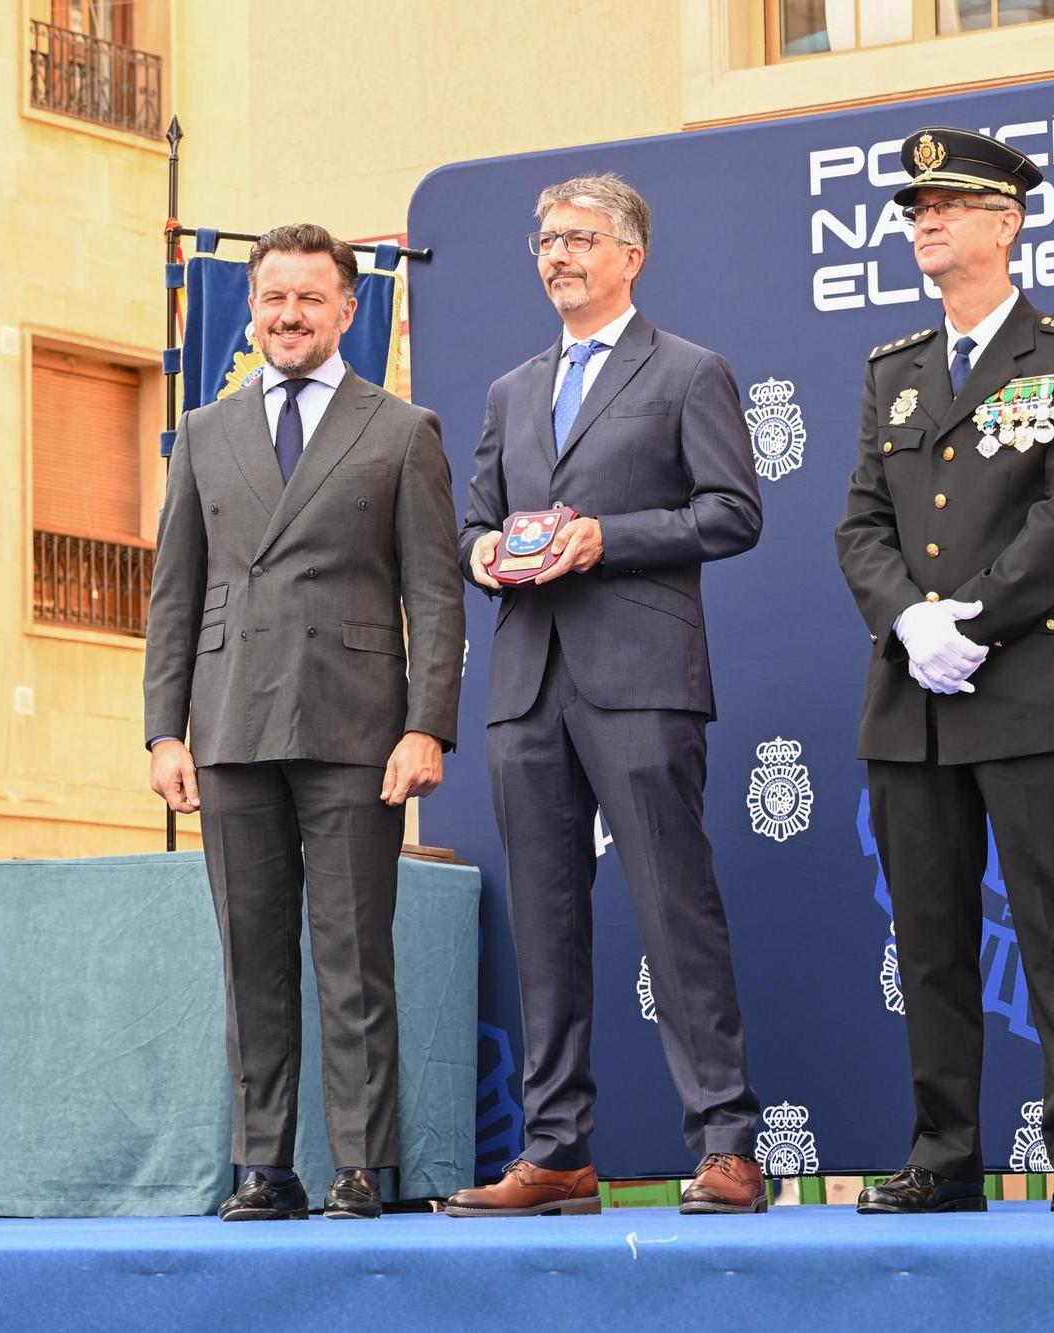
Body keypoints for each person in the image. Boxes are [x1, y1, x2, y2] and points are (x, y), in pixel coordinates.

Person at [445, 174, 766, 1219]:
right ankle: (555, 1152)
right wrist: (486, 550)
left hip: (640, 679)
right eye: (543, 240)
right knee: (543, 925)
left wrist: (606, 538)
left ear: (630, 255)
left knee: (675, 911)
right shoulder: (508, 390)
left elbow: (730, 512)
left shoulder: (687, 372)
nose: (557, 255)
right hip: (525, 683)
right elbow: (470, 528)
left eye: (580, 238)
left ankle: (723, 1144)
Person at [834, 127, 1054, 1213]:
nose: (925, 221)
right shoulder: (893, 372)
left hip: (1029, 687)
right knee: (928, 940)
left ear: (1006, 224)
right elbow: (860, 523)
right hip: (911, 697)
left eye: (949, 206)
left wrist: (976, 618)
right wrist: (911, 622)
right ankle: (941, 1153)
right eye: (916, 208)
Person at [143, 224, 464, 1222]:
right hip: (231, 726)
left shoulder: (401, 430)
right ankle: (259, 1166)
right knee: (250, 954)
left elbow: (436, 595)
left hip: (354, 730)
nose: (287, 315)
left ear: (344, 311)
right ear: (252, 308)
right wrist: (163, 731)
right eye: (272, 298)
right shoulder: (202, 432)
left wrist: (427, 727)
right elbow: (172, 595)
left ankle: (361, 1165)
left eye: (308, 299)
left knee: (352, 953)